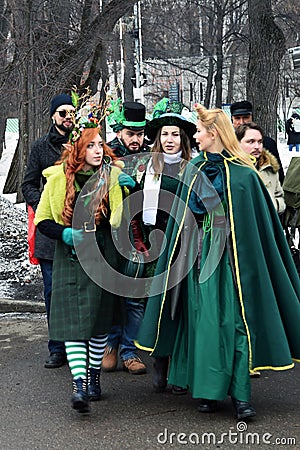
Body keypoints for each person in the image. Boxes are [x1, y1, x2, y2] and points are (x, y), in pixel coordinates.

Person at [137, 103, 300, 420]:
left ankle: (241, 395)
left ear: (213, 134)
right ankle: (208, 391)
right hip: (200, 260)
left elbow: (258, 227)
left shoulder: (244, 177)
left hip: (236, 264)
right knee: (204, 323)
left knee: (236, 325)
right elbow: (182, 218)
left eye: (198, 131)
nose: (194, 136)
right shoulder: (193, 169)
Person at [34, 110, 127, 413]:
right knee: (74, 324)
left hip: (102, 253)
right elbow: (43, 220)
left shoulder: (111, 176)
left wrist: (126, 187)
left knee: (100, 322)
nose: (98, 150)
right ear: (77, 148)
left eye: (100, 144)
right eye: (90, 145)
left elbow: (121, 219)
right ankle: (78, 384)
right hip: (70, 256)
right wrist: (65, 234)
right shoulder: (59, 178)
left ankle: (93, 375)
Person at [139, 97, 196, 394]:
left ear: (183, 138)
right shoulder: (146, 169)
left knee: (181, 308)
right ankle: (160, 363)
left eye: (175, 134)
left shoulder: (193, 169)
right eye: (165, 134)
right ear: (158, 139)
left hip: (185, 247)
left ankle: (179, 368)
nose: (170, 139)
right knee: (158, 307)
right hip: (155, 247)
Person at [22, 93, 75, 369]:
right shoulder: (40, 147)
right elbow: (28, 183)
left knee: (77, 291)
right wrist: (42, 204)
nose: (68, 117)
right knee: (53, 291)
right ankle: (57, 347)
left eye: (71, 112)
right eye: (63, 112)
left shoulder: (82, 144)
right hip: (49, 234)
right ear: (53, 116)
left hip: (78, 229)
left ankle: (80, 344)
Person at [101, 100, 150, 375]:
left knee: (133, 297)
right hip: (109, 239)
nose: (136, 139)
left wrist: (139, 187)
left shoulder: (149, 158)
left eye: (140, 133)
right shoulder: (104, 155)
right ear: (120, 131)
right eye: (131, 133)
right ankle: (111, 345)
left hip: (139, 239)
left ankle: (130, 351)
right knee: (110, 294)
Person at [236, 122, 285, 215]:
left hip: (268, 224)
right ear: (238, 143)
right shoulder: (231, 170)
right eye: (251, 142)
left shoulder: (270, 169)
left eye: (260, 142)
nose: (257, 147)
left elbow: (280, 196)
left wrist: (274, 206)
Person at [230, 100, 285, 184]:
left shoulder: (267, 143)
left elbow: (279, 178)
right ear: (232, 120)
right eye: (237, 118)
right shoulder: (226, 145)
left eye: (245, 117)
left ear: (252, 118)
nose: (241, 122)